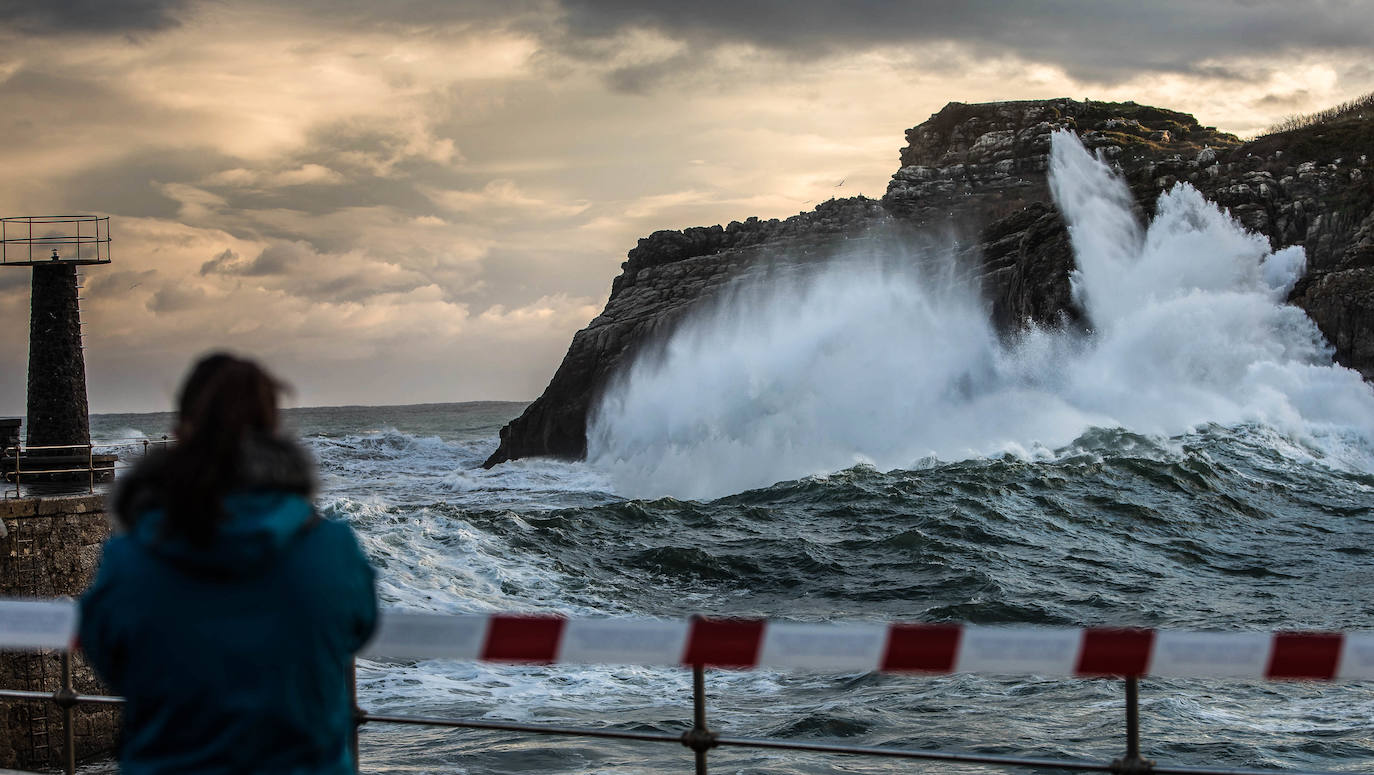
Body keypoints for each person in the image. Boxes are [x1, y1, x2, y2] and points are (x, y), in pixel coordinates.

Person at [79, 352, 377, 774]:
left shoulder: (130, 558)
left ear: (181, 431)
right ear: (272, 430)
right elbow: (358, 629)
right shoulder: (331, 547)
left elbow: (110, 659)